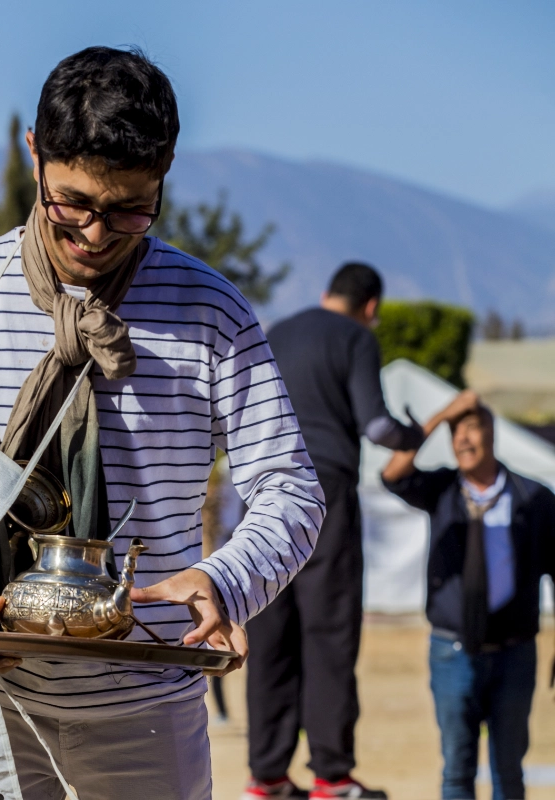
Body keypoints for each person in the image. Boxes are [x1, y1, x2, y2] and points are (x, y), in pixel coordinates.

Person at [0, 46, 325, 799]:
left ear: (166, 171)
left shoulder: (211, 312)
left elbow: (292, 490)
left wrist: (224, 581)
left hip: (146, 718)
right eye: (72, 204)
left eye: (128, 208)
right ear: (33, 154)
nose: (94, 234)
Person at [244, 262, 424, 799]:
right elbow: (377, 425)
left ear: (326, 295)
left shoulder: (279, 331)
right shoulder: (356, 338)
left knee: (271, 633)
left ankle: (267, 776)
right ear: (371, 307)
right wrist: (413, 434)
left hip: (265, 493)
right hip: (327, 493)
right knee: (329, 634)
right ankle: (331, 775)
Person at [381, 390, 555, 800]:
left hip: (514, 651)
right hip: (452, 650)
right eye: (455, 433)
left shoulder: (534, 498)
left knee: (508, 770)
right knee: (457, 768)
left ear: (492, 436)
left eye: (471, 430)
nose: (462, 440)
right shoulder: (441, 489)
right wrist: (442, 414)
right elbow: (393, 474)